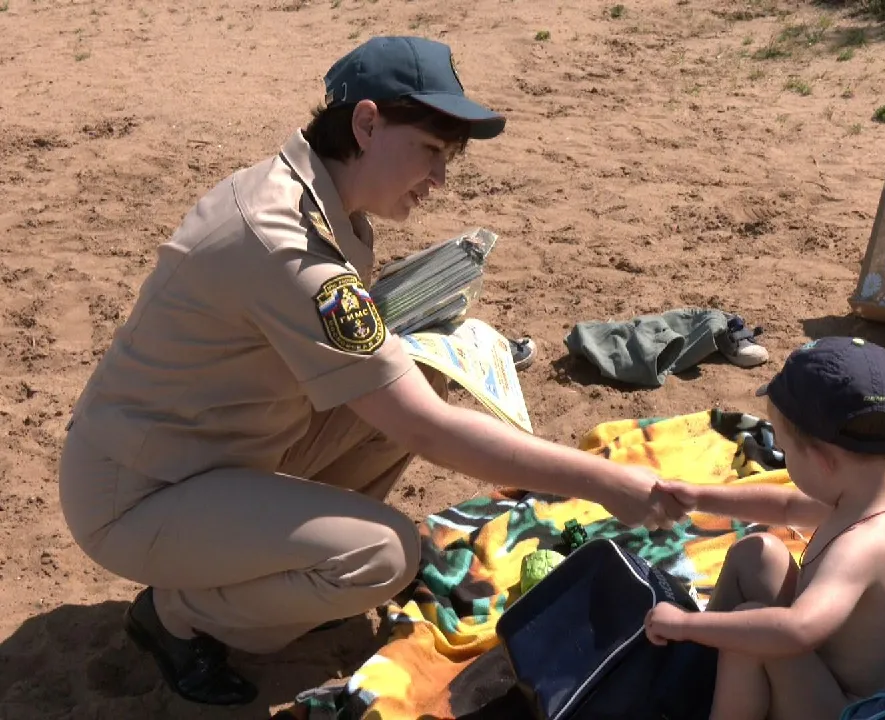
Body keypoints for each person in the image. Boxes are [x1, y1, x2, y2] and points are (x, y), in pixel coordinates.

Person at [57, 35, 683, 707]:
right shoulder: (285, 240)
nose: (440, 178)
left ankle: (272, 561)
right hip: (138, 495)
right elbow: (429, 433)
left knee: (421, 375)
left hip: (218, 450)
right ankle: (176, 614)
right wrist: (602, 480)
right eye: (431, 151)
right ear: (366, 123)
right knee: (381, 556)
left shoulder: (316, 198)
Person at [644, 336, 885, 720]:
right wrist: (699, 497)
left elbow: (796, 630)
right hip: (821, 673)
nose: (783, 460)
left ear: (824, 461)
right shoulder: (866, 495)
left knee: (753, 639)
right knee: (757, 553)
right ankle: (698, 670)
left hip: (851, 708)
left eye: (786, 450)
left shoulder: (865, 544)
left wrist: (689, 624)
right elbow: (786, 505)